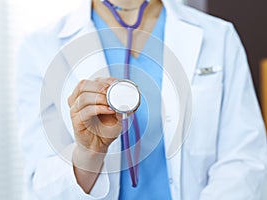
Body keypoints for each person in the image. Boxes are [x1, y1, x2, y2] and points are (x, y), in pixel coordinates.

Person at [16, 0, 267, 199]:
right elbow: (43, 185)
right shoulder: (41, 47)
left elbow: (244, 159)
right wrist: (89, 152)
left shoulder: (218, 36)